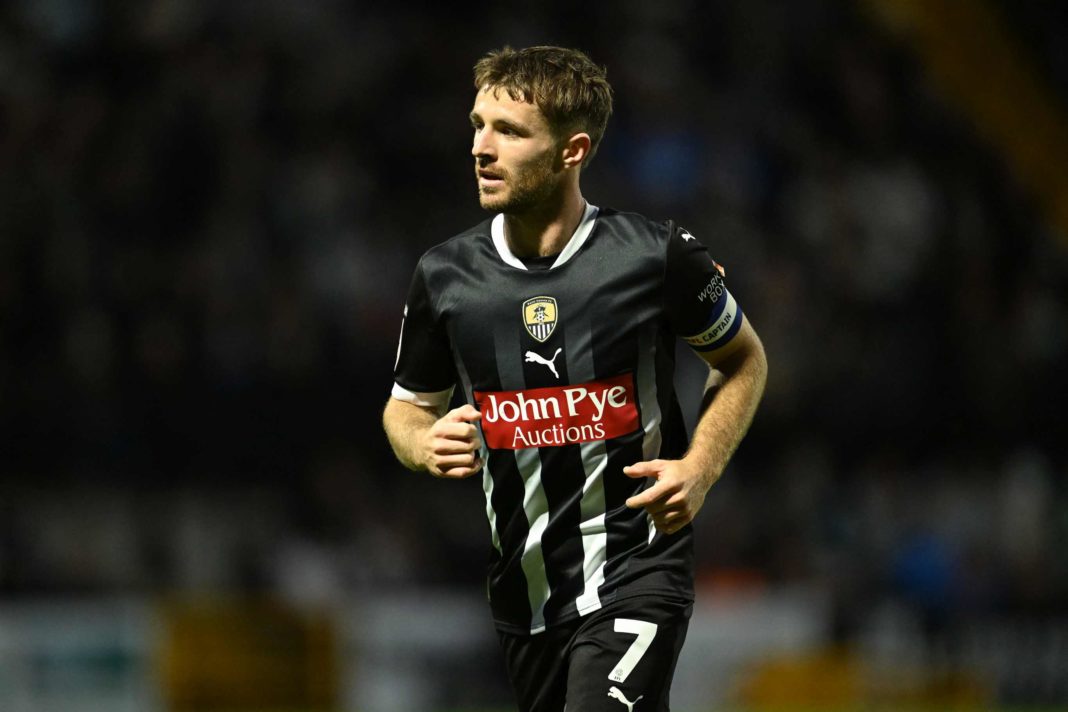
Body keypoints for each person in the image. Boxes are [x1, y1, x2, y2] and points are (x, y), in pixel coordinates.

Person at [382, 45, 767, 712]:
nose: (481, 147)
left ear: (572, 150)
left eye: (508, 131)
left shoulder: (655, 257)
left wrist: (699, 467)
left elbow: (744, 360)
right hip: (525, 599)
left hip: (636, 571)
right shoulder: (446, 277)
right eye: (478, 124)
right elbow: (405, 408)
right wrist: (420, 442)